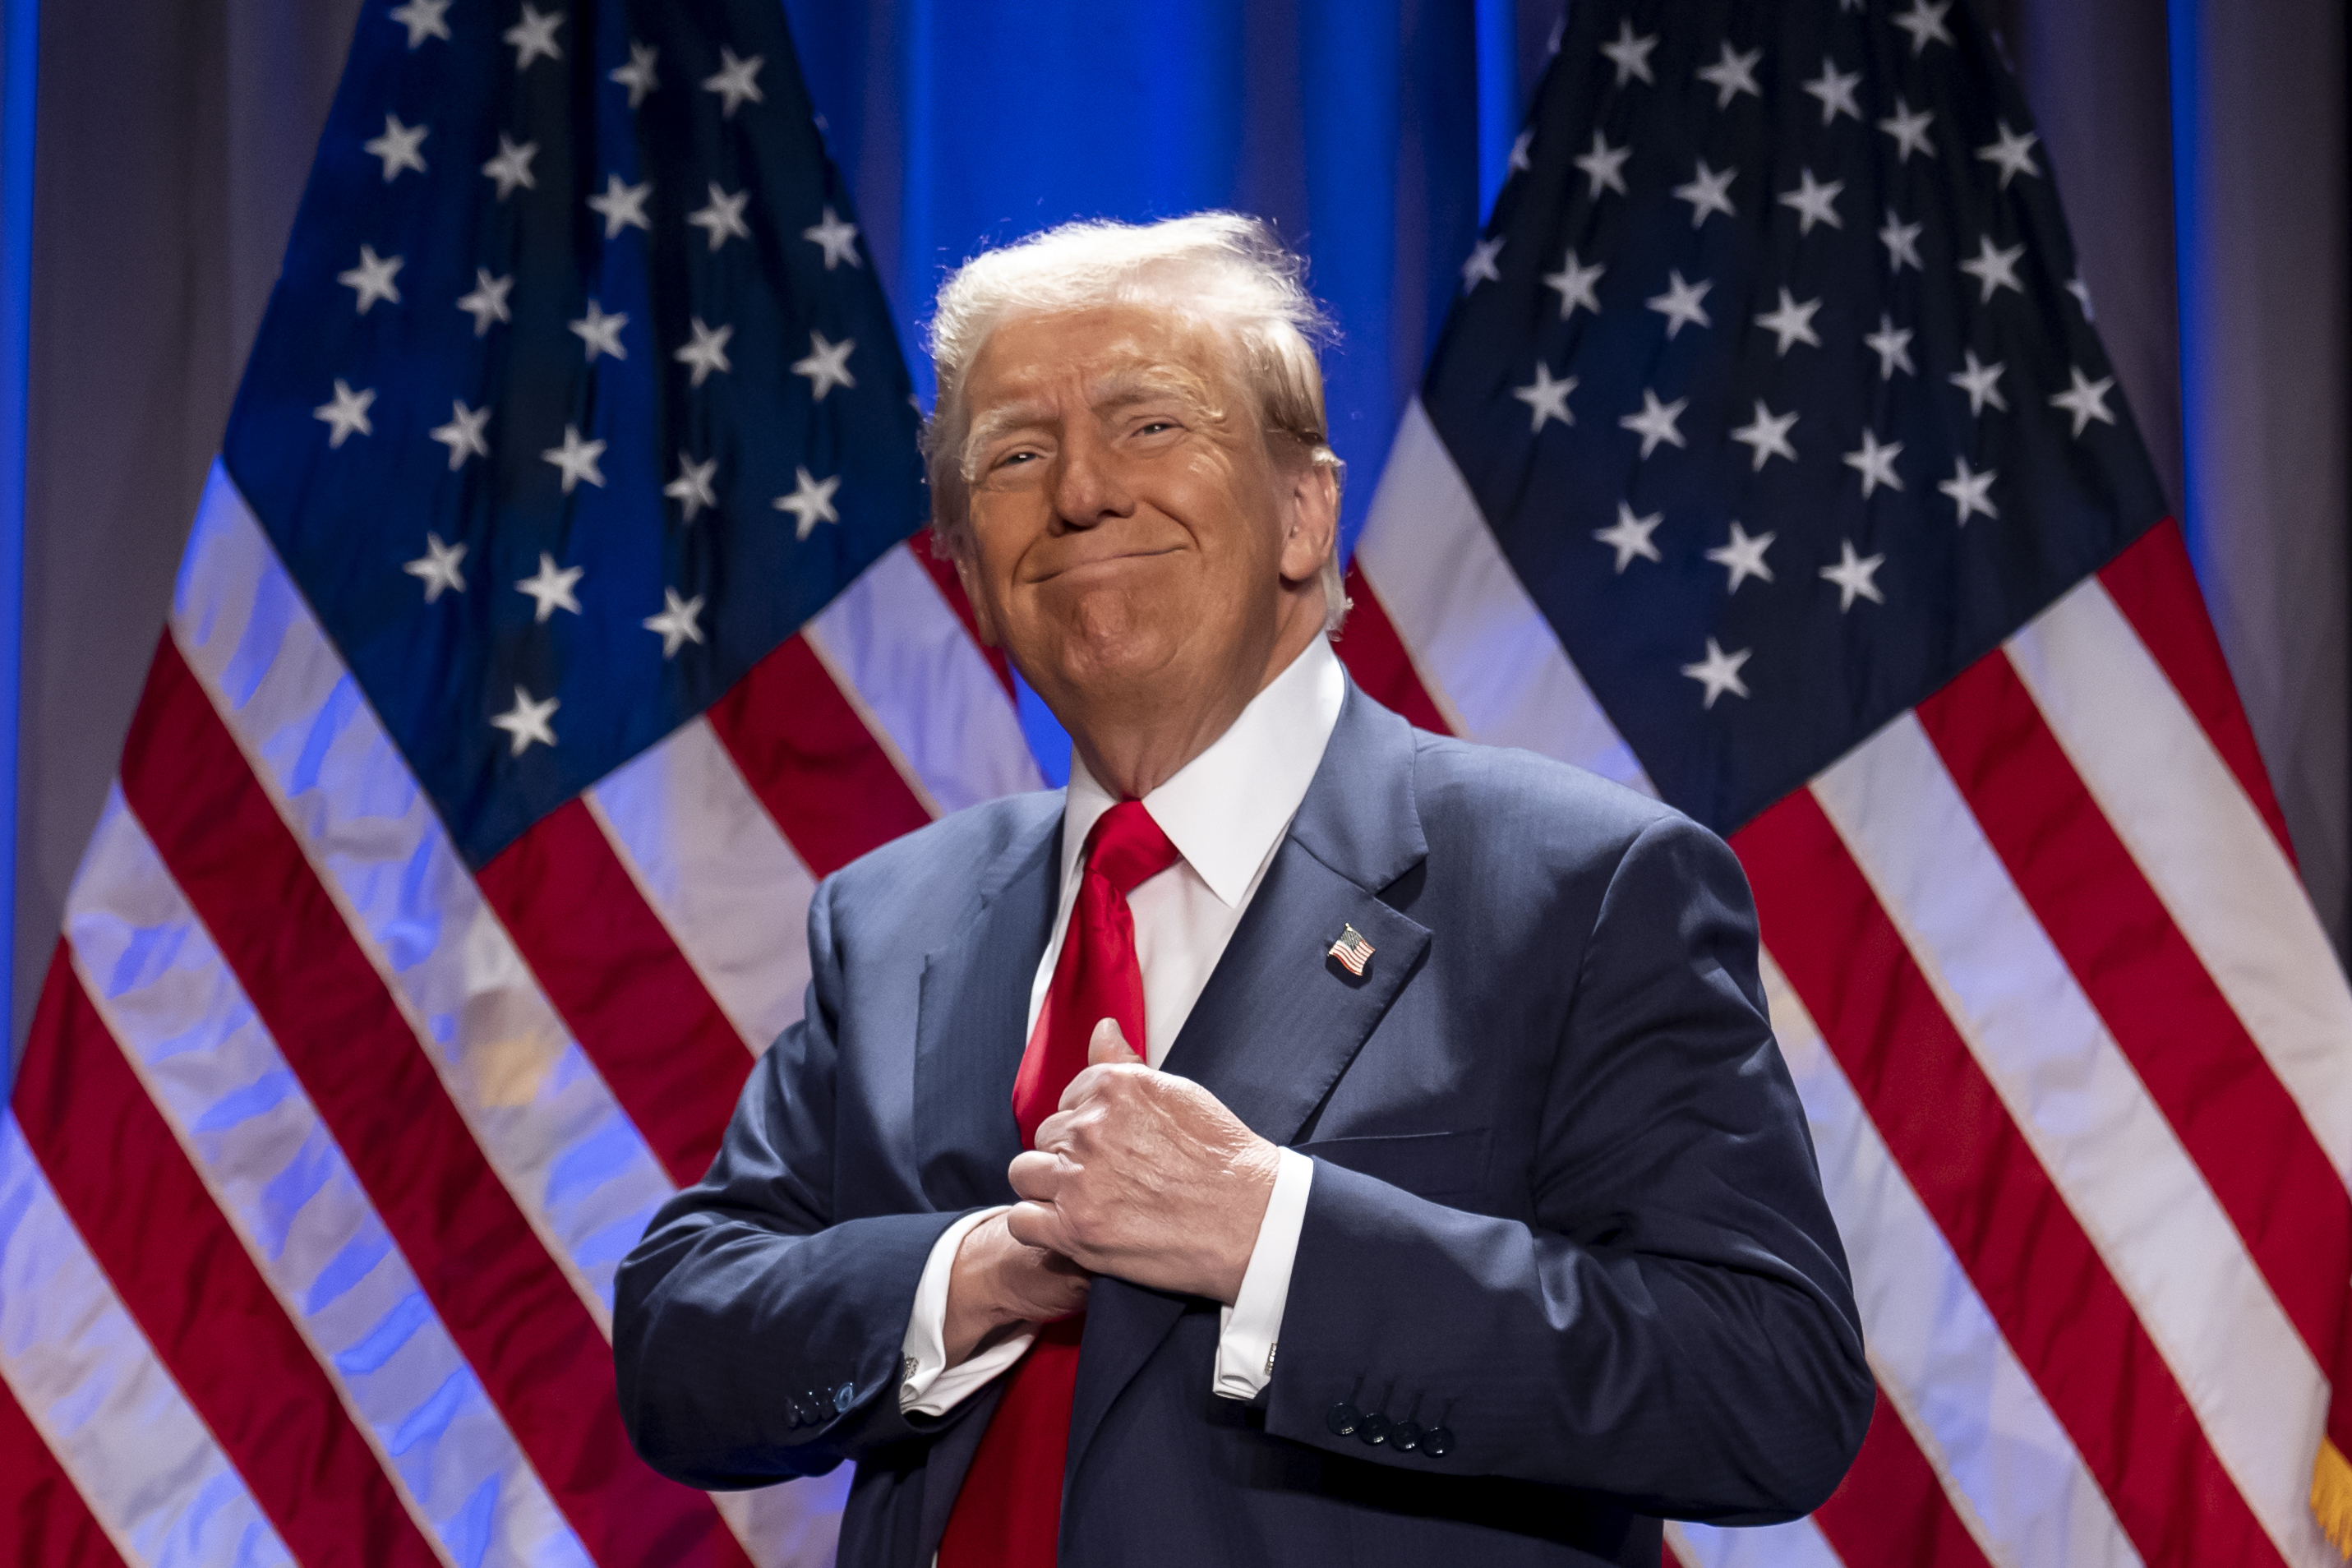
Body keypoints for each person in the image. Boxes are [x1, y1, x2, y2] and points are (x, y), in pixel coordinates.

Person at [615, 213, 1872, 1567]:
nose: (1082, 491)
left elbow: (1768, 1386)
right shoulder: (889, 919)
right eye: (1017, 454)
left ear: (1301, 513)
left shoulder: (1582, 885)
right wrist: (972, 1272)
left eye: (1151, 425)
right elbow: (683, 1341)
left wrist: (1272, 1236)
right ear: (968, 571)